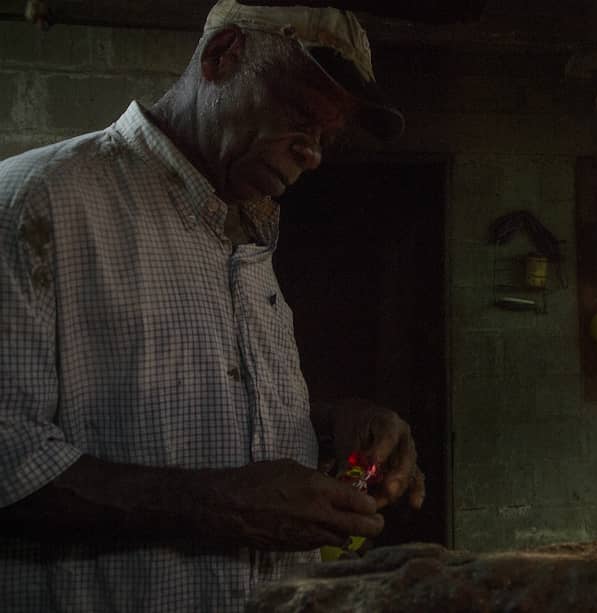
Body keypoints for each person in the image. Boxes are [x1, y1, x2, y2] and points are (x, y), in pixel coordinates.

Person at [0, 1, 425, 611]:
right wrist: (218, 505)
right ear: (222, 56)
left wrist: (328, 424)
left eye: (327, 137)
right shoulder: (33, 204)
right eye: (300, 117)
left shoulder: (245, 228)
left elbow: (184, 416)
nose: (314, 154)